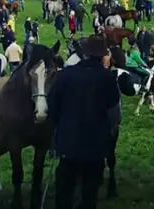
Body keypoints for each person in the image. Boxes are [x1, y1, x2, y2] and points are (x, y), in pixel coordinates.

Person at [48, 34, 121, 209]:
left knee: (64, 192)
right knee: (90, 195)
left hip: (68, 142)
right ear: (103, 56)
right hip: (95, 145)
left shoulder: (65, 75)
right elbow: (114, 113)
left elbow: (52, 108)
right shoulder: (107, 78)